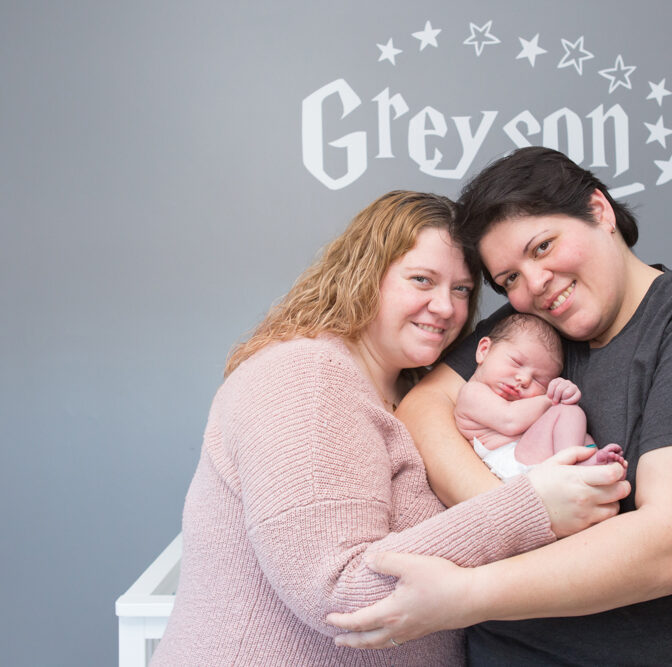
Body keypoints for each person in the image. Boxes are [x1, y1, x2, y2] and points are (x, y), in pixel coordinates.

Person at [327, 149, 672, 666]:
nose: (534, 284)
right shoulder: (534, 333)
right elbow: (425, 404)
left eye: (543, 246)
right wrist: (517, 510)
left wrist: (468, 594)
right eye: (509, 279)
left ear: (599, 211)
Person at [151, 190, 629, 666]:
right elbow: (338, 593)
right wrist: (532, 507)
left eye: (461, 290)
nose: (445, 308)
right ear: (364, 274)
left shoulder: (411, 392)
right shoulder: (305, 377)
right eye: (422, 280)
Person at [456, 312, 625, 479]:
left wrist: (562, 392)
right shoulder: (472, 392)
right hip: (508, 465)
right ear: (484, 350)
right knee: (569, 412)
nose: (524, 379)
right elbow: (510, 420)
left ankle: (592, 463)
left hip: (529, 460)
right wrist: (552, 399)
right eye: (516, 363)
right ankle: (573, 466)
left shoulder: (526, 405)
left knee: (576, 430)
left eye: (538, 381)